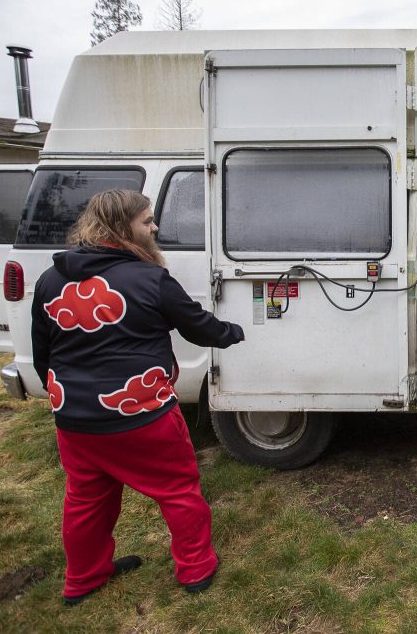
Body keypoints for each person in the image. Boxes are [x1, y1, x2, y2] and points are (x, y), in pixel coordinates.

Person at [31, 189, 244, 606]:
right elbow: (199, 327)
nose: (154, 228)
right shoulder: (150, 279)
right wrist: (234, 332)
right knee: (178, 490)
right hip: (141, 414)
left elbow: (44, 353)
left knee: (85, 499)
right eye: (146, 221)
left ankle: (83, 579)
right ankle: (196, 569)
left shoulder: (49, 281)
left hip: (74, 420)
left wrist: (66, 399)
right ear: (121, 227)